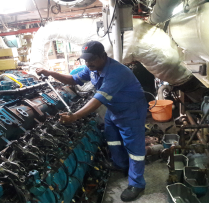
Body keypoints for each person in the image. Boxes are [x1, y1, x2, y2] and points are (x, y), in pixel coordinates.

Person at [36, 41, 147, 202]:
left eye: (91, 60)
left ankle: (137, 183)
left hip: (131, 111)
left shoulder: (116, 72)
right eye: (85, 60)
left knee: (134, 148)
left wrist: (74, 116)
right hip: (114, 109)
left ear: (103, 56)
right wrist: (50, 73)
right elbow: (73, 79)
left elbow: (97, 100)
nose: (88, 63)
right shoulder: (93, 69)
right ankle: (120, 164)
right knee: (112, 138)